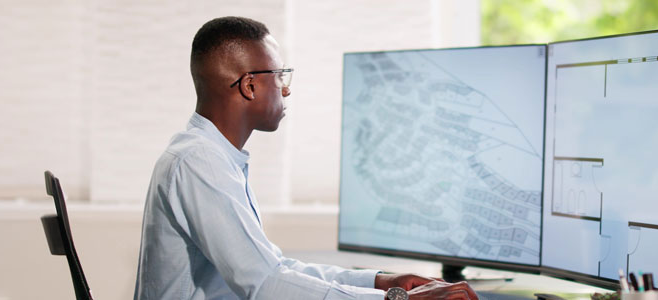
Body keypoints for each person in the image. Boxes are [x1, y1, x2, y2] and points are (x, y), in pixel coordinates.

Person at [132, 16, 480, 300]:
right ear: (249, 86)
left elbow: (274, 267)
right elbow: (266, 285)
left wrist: (381, 282)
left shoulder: (214, 156)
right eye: (279, 75)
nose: (286, 88)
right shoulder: (198, 161)